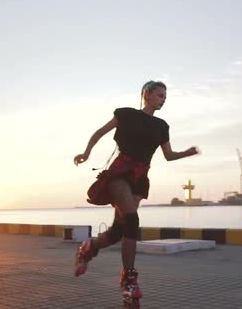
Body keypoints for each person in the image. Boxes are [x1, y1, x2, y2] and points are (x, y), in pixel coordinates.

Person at [73, 80, 199, 301]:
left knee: (118, 231)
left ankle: (89, 247)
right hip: (120, 172)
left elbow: (168, 156)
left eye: (165, 97)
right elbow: (99, 133)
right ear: (146, 94)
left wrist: (186, 153)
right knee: (132, 220)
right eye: (160, 95)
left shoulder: (162, 126)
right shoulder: (126, 114)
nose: (163, 100)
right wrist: (86, 153)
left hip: (140, 177)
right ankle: (129, 280)